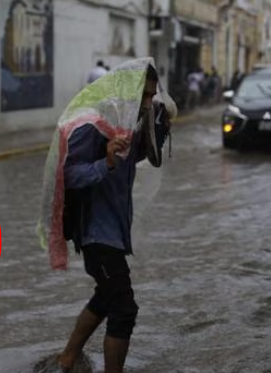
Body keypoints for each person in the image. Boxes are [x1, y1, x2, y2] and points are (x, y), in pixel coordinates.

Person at [56, 64, 172, 373]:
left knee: (106, 297)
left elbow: (133, 158)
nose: (147, 102)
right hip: (95, 232)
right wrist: (104, 162)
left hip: (114, 230)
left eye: (151, 95)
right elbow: (68, 173)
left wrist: (158, 128)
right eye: (142, 95)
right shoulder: (92, 125)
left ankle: (68, 358)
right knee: (124, 308)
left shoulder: (126, 123)